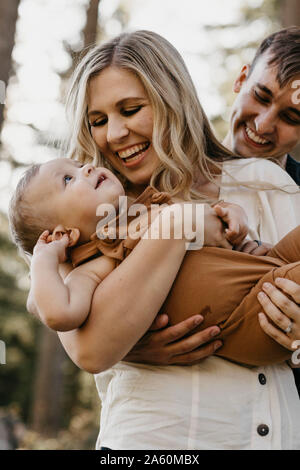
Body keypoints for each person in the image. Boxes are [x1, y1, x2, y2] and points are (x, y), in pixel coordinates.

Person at [26, 30, 300, 449]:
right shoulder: (89, 219)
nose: (115, 134)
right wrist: (180, 222)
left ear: (172, 98)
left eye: (131, 109)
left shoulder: (267, 186)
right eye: (97, 121)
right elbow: (88, 346)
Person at [128, 28, 300, 392]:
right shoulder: (165, 171)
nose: (264, 124)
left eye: (292, 117)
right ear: (241, 79)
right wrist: (128, 345)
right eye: (261, 95)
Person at [9, 158, 300, 366]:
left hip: (266, 264)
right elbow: (60, 314)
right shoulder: (93, 269)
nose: (85, 167)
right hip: (255, 310)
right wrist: (44, 260)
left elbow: (209, 223)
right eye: (68, 179)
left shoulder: (144, 209)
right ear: (63, 235)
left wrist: (229, 212)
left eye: (77, 163)